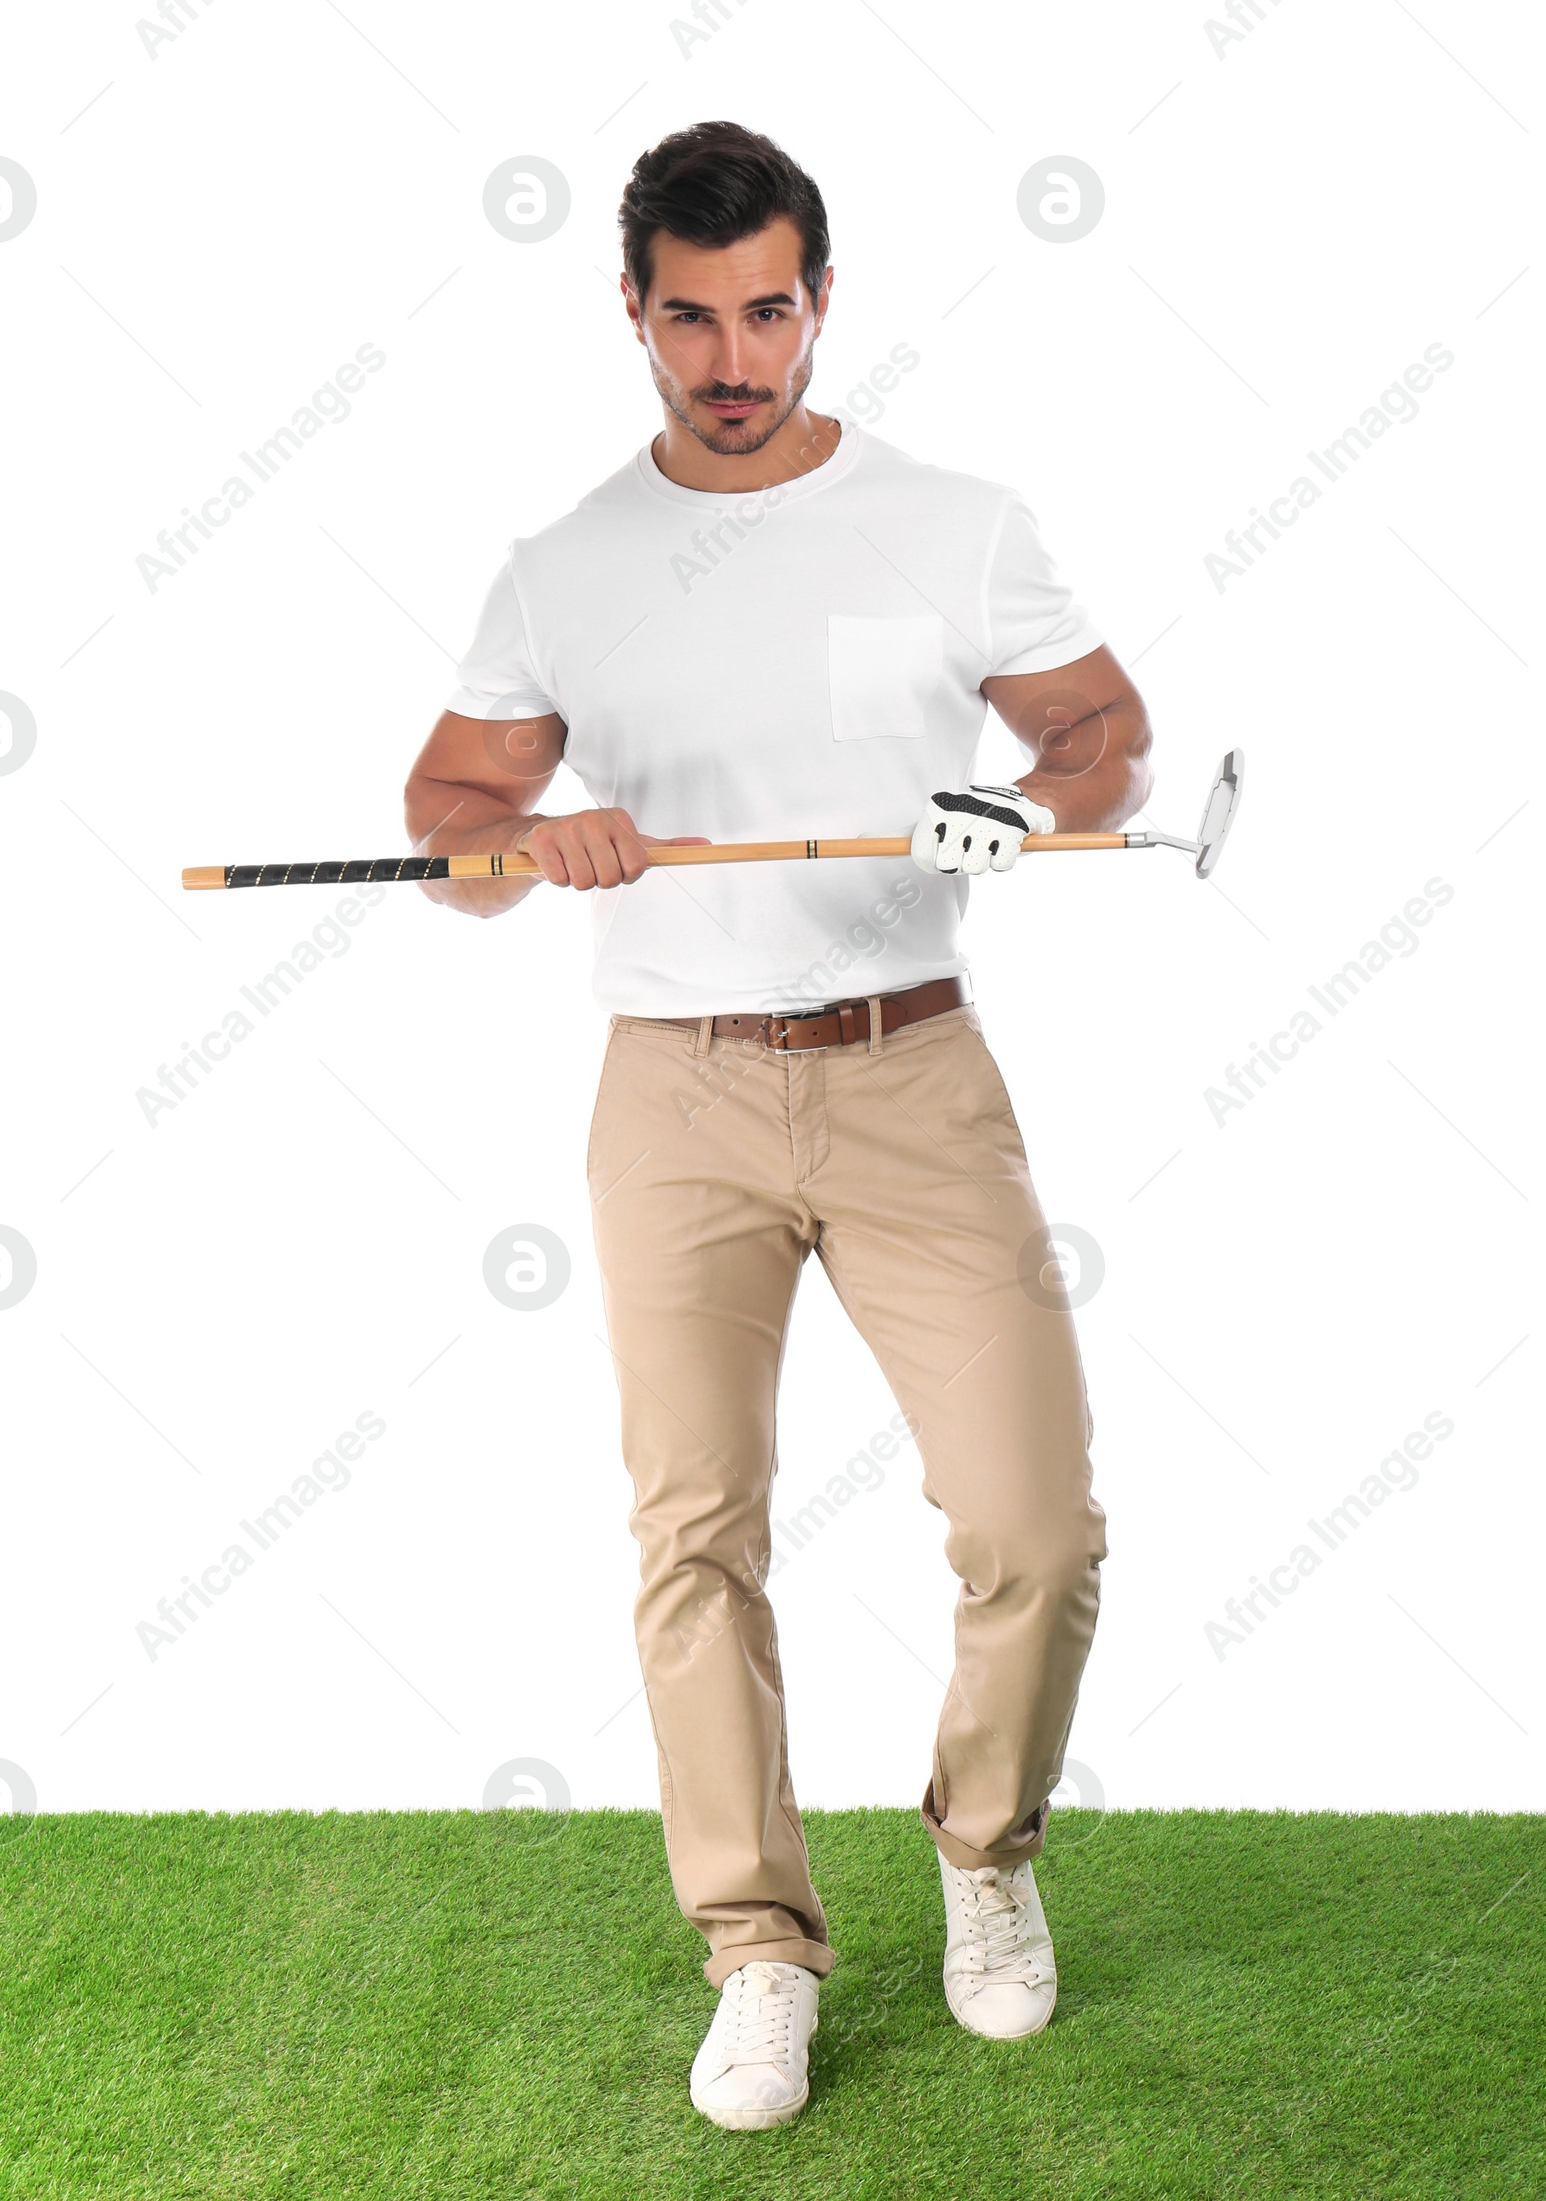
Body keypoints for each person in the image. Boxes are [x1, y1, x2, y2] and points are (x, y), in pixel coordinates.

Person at [404, 120, 1152, 2133]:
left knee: (1033, 1527)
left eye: (766, 312)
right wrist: (516, 844)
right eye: (690, 319)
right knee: (694, 1534)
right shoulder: (563, 566)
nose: (733, 358)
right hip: (676, 1091)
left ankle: (981, 1853)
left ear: (818, 299)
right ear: (631, 313)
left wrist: (1034, 803)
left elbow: (1099, 737)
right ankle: (754, 1944)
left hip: (913, 1069)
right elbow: (448, 819)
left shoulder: (952, 521)